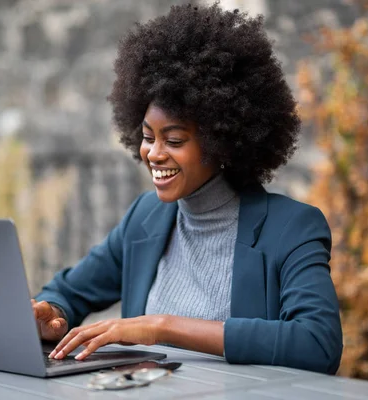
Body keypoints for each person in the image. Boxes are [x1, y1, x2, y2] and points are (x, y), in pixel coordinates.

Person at [32, 2, 343, 374]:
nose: (154, 154)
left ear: (220, 142)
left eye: (174, 140)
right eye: (148, 137)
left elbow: (317, 343)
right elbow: (67, 292)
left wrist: (162, 327)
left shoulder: (291, 228)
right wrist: (51, 313)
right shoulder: (145, 219)